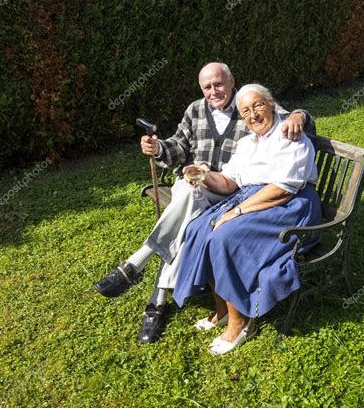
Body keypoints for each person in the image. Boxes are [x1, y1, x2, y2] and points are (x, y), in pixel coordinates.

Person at [95, 63, 316, 343]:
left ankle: (146, 281)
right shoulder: (199, 112)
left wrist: (301, 114)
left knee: (212, 227)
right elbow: (178, 146)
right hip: (217, 183)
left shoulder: (254, 107)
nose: (214, 91)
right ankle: (210, 305)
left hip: (253, 196)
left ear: (231, 81)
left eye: (219, 84)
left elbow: (291, 121)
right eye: (207, 87)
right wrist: (161, 150)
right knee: (195, 221)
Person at [173, 84, 322, 355]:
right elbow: (230, 182)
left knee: (224, 236)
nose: (253, 114)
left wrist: (237, 212)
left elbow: (282, 189)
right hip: (255, 197)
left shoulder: (291, 134)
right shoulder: (247, 144)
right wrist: (205, 175)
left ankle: (241, 321)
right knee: (199, 227)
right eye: (245, 111)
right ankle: (221, 309)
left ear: (272, 104)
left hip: (290, 205)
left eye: (258, 106)